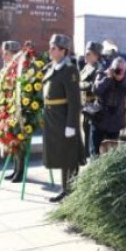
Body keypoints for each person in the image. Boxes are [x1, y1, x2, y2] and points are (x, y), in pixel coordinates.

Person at [42, 34, 85, 203]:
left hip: (63, 119)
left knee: (69, 155)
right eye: (50, 47)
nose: (50, 50)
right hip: (53, 119)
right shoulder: (52, 67)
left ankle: (70, 192)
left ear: (63, 51)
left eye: (54, 48)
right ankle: (65, 189)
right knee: (62, 155)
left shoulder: (69, 70)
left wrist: (71, 125)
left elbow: (74, 100)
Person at [91, 56, 126, 155]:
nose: (119, 72)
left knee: (112, 153)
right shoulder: (102, 74)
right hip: (100, 119)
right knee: (96, 151)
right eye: (117, 69)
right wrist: (107, 79)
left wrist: (123, 80)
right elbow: (95, 90)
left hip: (116, 121)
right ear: (112, 67)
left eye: (122, 70)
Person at [0, 41, 27, 183]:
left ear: (14, 55)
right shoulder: (6, 69)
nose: (3, 56)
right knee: (11, 140)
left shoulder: (20, 69)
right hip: (8, 111)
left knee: (18, 140)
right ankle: (16, 169)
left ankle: (20, 171)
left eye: (6, 53)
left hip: (18, 112)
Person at [79, 41, 104, 156]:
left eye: (88, 54)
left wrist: (78, 85)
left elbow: (95, 86)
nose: (85, 55)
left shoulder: (99, 69)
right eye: (85, 53)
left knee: (89, 130)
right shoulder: (86, 67)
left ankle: (89, 154)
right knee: (84, 129)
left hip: (92, 105)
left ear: (96, 55)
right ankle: (85, 153)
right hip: (83, 103)